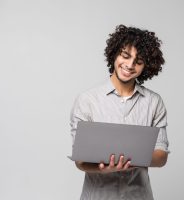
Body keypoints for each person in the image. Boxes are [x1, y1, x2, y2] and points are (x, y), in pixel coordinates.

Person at [70, 25, 169, 200]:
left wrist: (130, 158)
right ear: (115, 53)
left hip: (139, 195)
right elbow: (80, 161)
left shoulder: (154, 102)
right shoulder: (87, 100)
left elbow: (161, 156)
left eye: (138, 61)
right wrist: (108, 167)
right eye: (125, 56)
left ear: (146, 66)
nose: (130, 65)